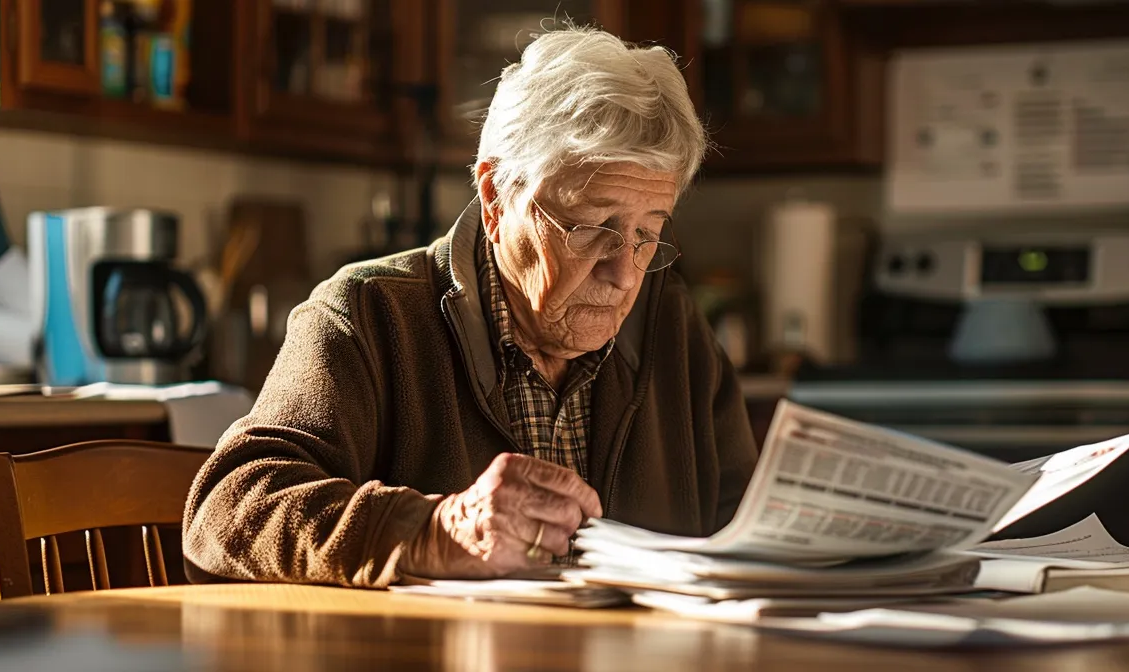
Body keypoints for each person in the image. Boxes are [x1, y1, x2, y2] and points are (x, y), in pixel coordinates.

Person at [181, 26, 759, 588]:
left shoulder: (671, 327)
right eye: (591, 227)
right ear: (494, 199)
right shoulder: (368, 314)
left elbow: (752, 532)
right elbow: (227, 510)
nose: (624, 272)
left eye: (647, 233)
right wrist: (433, 532)